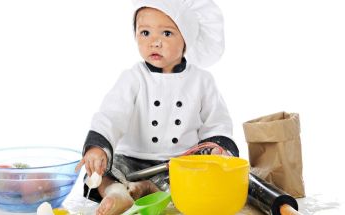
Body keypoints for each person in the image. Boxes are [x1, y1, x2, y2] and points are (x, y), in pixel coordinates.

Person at [75, 0, 239, 214]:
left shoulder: (202, 81)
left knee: (193, 181)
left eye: (167, 34)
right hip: (130, 159)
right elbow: (111, 115)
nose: (155, 42)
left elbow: (217, 122)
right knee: (103, 174)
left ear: (187, 39)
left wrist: (218, 148)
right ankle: (117, 192)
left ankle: (144, 189)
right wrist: (98, 148)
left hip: (177, 164)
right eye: (145, 33)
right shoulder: (133, 78)